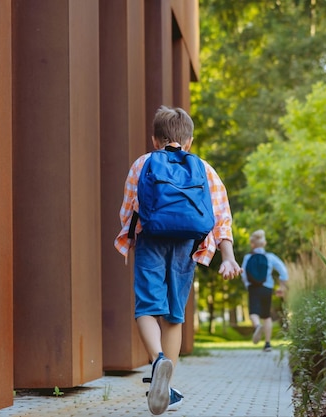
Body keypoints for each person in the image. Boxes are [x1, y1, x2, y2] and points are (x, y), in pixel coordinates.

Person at [114, 105, 241, 415]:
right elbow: (221, 215)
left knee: (146, 307)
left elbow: (130, 209)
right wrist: (228, 257)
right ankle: (167, 388)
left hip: (151, 241)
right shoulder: (204, 168)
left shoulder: (143, 164)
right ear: (190, 141)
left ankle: (158, 361)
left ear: (155, 140)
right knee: (174, 314)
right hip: (187, 244)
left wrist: (127, 242)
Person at [241, 229, 288, 352]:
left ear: (252, 244)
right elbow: (283, 270)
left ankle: (257, 326)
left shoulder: (247, 257)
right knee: (266, 316)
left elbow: (243, 273)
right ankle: (267, 344)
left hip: (253, 287)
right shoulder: (270, 257)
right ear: (264, 243)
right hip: (267, 288)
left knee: (253, 312)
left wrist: (248, 285)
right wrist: (282, 285)